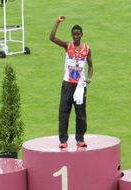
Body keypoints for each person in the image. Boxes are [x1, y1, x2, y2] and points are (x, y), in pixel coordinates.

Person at [50, 16, 93, 148]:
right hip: (67, 84)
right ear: (71, 35)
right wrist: (57, 22)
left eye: (78, 34)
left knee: (81, 113)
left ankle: (80, 139)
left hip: (80, 85)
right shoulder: (67, 45)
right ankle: (63, 140)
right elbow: (52, 37)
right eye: (73, 34)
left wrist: (89, 79)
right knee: (64, 112)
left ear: (81, 35)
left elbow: (90, 66)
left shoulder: (86, 49)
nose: (75, 36)